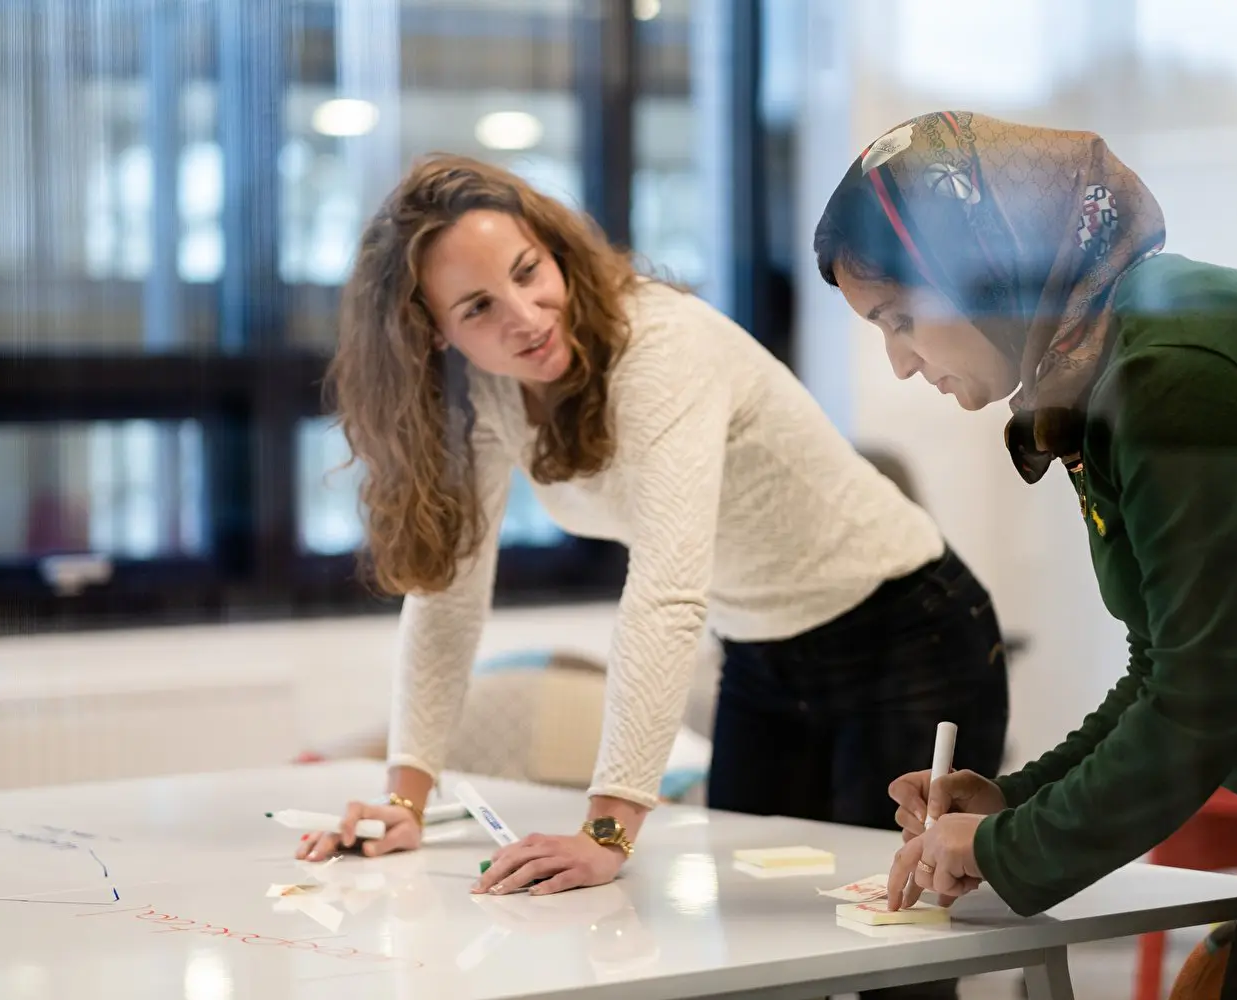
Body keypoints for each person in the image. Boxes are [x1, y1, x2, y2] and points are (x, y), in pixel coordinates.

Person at [304, 154, 1006, 993]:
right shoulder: (487, 395)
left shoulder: (658, 343)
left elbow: (668, 588)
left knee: (899, 960)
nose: (526, 317)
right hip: (761, 655)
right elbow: (449, 594)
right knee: (753, 962)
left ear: (556, 250)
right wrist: (405, 801)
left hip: (908, 630)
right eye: (478, 307)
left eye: (531, 272)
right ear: (429, 328)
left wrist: (606, 832)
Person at [812, 110, 1237, 1000]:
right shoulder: (1099, 361)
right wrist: (1012, 802)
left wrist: (1002, 849)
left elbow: (1203, 702)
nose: (902, 363)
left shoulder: (1167, 373)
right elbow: (1165, 665)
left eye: (903, 316)